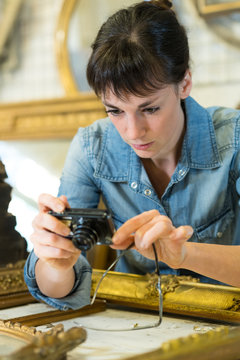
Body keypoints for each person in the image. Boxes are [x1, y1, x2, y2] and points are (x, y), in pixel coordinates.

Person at [24, 0, 240, 310]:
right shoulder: (92, 147)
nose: (133, 131)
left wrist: (184, 254)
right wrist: (56, 262)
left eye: (149, 109)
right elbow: (58, 290)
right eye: (115, 111)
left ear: (185, 84)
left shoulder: (234, 138)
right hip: (133, 328)